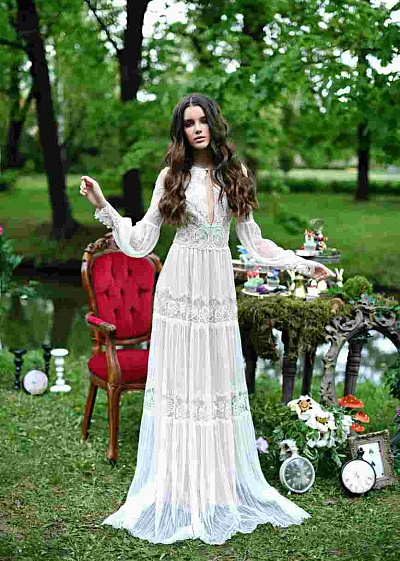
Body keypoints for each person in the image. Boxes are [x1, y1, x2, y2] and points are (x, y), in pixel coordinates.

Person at [80, 93, 334, 546]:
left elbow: (254, 243)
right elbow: (140, 242)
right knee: (182, 382)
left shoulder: (235, 174)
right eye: (188, 123)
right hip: (179, 290)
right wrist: (103, 204)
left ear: (214, 125)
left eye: (202, 121)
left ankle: (215, 484)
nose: (196, 129)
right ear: (181, 131)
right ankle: (178, 485)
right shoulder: (171, 176)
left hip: (216, 291)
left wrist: (300, 263)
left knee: (214, 381)